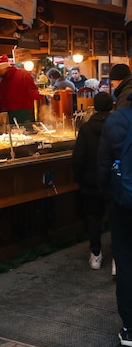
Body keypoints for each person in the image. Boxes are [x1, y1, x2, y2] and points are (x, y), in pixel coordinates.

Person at [98, 91, 132, 347]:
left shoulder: (116, 120)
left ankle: (130, 328)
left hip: (123, 203)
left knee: (126, 262)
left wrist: (108, 197)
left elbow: (103, 165)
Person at [72, 92, 113, 270]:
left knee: (94, 218)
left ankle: (95, 255)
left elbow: (78, 158)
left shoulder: (86, 128)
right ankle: (116, 260)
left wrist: (78, 179)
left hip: (91, 182)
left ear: (95, 106)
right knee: (115, 219)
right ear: (111, 106)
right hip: (113, 180)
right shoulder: (117, 126)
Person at [0, 55, 41, 124]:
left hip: (24, 117)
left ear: (2, 68)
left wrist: (43, 93)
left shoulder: (23, 75)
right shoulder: (3, 81)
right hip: (10, 118)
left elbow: (33, 93)